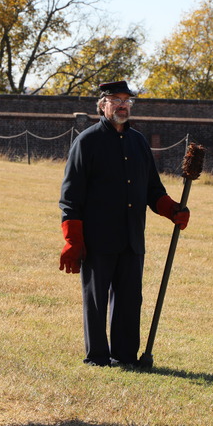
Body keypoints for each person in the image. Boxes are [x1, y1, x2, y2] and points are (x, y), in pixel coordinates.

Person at [58, 80, 190, 367]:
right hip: (97, 238)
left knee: (130, 300)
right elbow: (70, 197)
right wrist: (73, 240)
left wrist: (173, 210)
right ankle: (97, 356)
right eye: (116, 99)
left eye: (127, 100)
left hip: (132, 237)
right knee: (96, 300)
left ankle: (125, 355)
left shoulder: (138, 142)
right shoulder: (87, 142)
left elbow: (152, 190)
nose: (122, 105)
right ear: (102, 104)